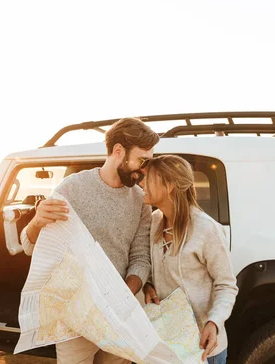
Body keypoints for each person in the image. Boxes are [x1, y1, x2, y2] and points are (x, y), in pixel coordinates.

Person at [20, 117, 160, 364]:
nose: (144, 169)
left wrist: (121, 297)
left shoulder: (139, 199)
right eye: (142, 160)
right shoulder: (71, 188)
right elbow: (32, 247)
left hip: (119, 316)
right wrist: (36, 222)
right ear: (119, 151)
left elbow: (140, 257)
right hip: (74, 316)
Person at [141, 155, 238, 364]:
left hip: (202, 348)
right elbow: (150, 264)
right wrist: (147, 285)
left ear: (169, 186)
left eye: (147, 178)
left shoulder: (206, 229)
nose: (141, 183)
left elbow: (227, 285)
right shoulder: (154, 220)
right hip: (168, 344)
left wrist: (214, 322)